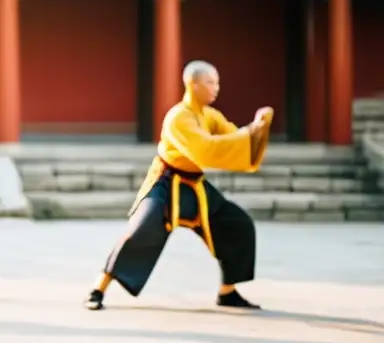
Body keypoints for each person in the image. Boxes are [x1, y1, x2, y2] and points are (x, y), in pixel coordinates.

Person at [84, 60, 273, 311]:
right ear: (193, 85)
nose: (216, 88)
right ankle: (98, 288)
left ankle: (227, 291)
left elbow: (232, 139)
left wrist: (256, 131)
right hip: (166, 181)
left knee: (236, 223)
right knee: (141, 229)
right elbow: (205, 150)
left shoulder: (210, 116)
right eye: (210, 82)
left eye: (217, 82)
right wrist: (249, 130)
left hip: (195, 185)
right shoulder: (178, 117)